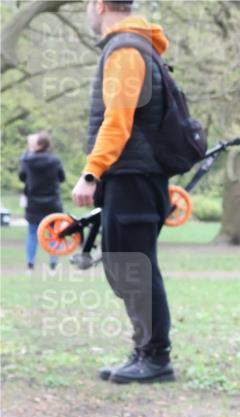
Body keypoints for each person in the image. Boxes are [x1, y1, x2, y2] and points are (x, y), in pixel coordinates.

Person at [71, 0, 174, 383]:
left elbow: (118, 117)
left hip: (133, 174)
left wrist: (92, 171)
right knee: (125, 263)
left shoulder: (128, 49)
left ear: (99, 5)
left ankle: (155, 357)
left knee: (133, 265)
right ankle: (145, 351)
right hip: (134, 174)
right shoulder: (131, 45)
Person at [18, 131, 64, 276]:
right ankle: (53, 267)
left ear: (37, 145)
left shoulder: (27, 161)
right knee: (54, 234)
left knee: (32, 233)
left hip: (33, 202)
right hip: (52, 202)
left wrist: (28, 150)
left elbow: (21, 176)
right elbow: (61, 178)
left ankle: (30, 266)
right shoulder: (55, 161)